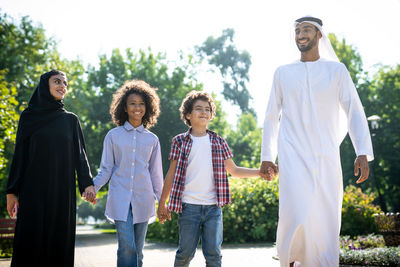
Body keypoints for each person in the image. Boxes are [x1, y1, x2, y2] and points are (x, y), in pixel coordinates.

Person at [260, 16, 374, 267]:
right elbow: (271, 116)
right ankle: (291, 260)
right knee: (294, 210)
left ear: (319, 34)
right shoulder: (283, 72)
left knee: (325, 213)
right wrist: (267, 156)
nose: (301, 34)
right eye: (298, 30)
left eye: (307, 30)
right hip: (292, 153)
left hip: (325, 154)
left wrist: (362, 151)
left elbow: (354, 110)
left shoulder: (336, 70)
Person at [157, 90, 261, 267]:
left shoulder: (219, 142)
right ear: (188, 114)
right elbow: (171, 174)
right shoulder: (180, 141)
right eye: (198, 108)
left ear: (211, 115)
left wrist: (260, 171)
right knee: (185, 253)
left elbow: (234, 170)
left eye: (207, 109)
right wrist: (162, 203)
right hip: (188, 207)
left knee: (213, 254)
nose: (203, 112)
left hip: (213, 208)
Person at [6, 70, 96, 267]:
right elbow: (20, 155)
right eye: (57, 81)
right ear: (45, 85)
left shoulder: (70, 120)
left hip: (61, 192)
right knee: (29, 244)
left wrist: (87, 184)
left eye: (65, 82)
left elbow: (80, 156)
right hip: (32, 192)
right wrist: (12, 191)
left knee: (58, 244)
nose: (62, 85)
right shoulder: (28, 118)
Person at [93, 80, 163, 267]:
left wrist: (163, 201)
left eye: (141, 104)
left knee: (138, 251)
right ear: (124, 107)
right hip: (119, 197)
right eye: (133, 103)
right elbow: (106, 168)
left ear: (147, 107)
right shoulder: (113, 136)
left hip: (144, 199)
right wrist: (92, 188)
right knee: (126, 247)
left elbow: (156, 174)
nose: (137, 107)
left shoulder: (152, 140)